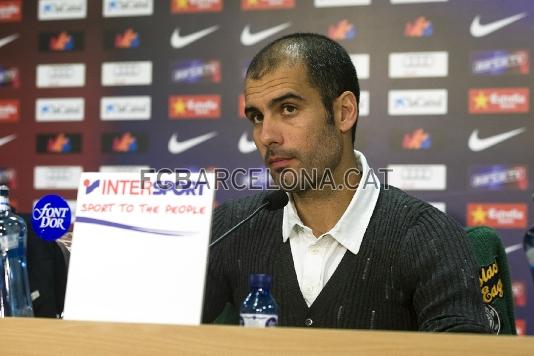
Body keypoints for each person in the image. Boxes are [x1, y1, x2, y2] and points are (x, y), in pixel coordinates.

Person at [202, 33, 490, 332]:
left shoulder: (428, 236)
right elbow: (159, 333)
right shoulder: (231, 228)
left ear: (344, 112)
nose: (266, 136)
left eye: (288, 109)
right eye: (257, 117)